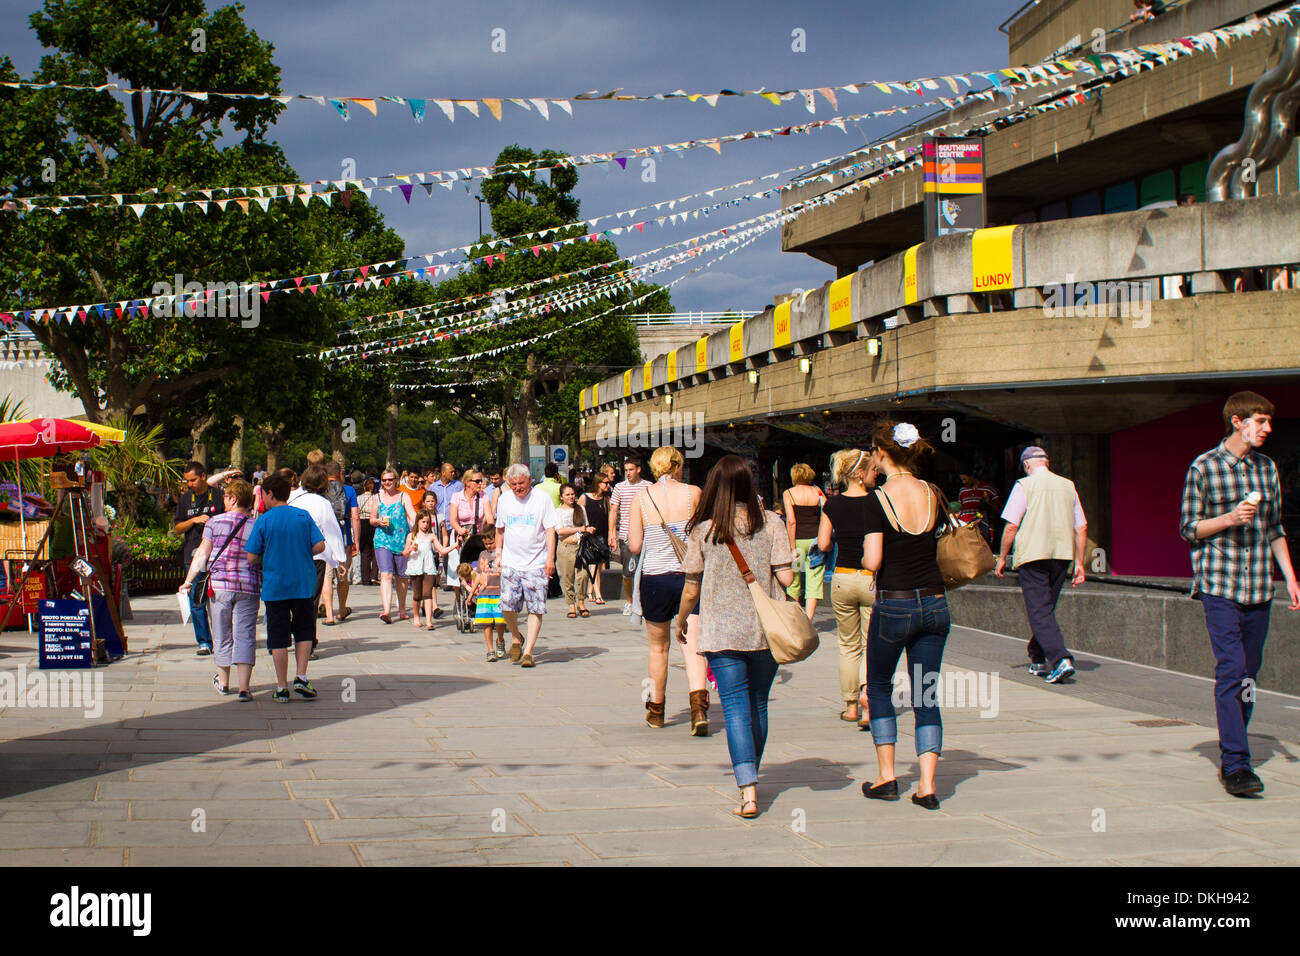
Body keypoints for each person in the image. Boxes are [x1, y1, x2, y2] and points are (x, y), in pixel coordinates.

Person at [1180, 391, 1300, 797]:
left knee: (1249, 676)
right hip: (1220, 585)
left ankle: (1236, 744)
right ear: (1237, 421)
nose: (1267, 429)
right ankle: (1236, 764)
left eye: (1269, 422)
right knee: (1231, 670)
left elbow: (1274, 529)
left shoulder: (1267, 469)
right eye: (1260, 421)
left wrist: (1291, 577)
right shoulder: (1204, 467)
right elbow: (1188, 528)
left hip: (1260, 587)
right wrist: (1229, 518)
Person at [678, 454, 794, 818]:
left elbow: (691, 589)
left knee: (735, 711)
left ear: (716, 487)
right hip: (765, 632)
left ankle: (748, 788)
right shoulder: (772, 523)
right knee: (757, 705)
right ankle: (751, 772)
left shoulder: (704, 531)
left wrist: (681, 619)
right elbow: (787, 579)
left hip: (723, 633)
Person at [860, 421, 951, 810]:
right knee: (925, 693)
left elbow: (874, 559)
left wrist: (865, 562)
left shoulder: (877, 499)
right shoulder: (933, 493)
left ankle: (887, 777)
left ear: (882, 453)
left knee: (879, 685)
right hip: (935, 602)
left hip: (894, 603)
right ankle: (928, 786)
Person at [630, 446, 709, 735]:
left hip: (655, 577)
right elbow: (702, 535)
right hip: (689, 576)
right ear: (678, 466)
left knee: (658, 647)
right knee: (693, 643)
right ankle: (699, 709)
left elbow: (636, 545)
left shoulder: (642, 496)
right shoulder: (694, 493)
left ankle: (657, 710)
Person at [994, 446, 1088, 684]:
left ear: (1027, 466)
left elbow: (1012, 525)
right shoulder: (1068, 486)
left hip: (1033, 555)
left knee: (1039, 610)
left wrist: (1003, 556)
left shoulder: (1024, 485)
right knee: (1045, 608)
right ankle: (1037, 656)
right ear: (1047, 462)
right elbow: (1081, 527)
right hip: (1062, 555)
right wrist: (1079, 562)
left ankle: (1060, 659)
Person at [243, 472, 324, 703]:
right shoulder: (302, 515)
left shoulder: (264, 520)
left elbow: (251, 557)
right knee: (304, 630)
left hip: (275, 585)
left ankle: (281, 686)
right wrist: (301, 552)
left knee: (278, 636)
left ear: (269, 493)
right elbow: (319, 545)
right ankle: (301, 675)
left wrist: (268, 556)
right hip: (303, 583)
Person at [180, 479, 259, 701]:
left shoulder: (214, 523)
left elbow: (201, 555)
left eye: (225, 496)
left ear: (233, 499)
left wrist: (188, 581)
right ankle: (244, 687)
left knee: (222, 634)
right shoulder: (255, 525)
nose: (222, 500)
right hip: (249, 586)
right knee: (245, 635)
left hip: (220, 587)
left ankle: (224, 682)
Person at [818, 448, 880, 725]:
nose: (876, 474)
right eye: (872, 470)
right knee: (871, 643)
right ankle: (869, 695)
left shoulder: (832, 504)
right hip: (871, 578)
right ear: (859, 474)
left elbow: (823, 544)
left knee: (848, 645)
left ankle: (851, 705)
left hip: (842, 578)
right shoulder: (876, 502)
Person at [491, 463, 557, 668]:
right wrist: (498, 554)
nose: (518, 488)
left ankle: (528, 651)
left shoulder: (542, 499)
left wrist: (550, 559)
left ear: (530, 480)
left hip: (536, 561)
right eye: (513, 484)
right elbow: (500, 529)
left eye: (521, 483)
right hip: (511, 561)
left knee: (536, 607)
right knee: (507, 605)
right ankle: (516, 637)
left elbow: (549, 530)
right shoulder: (504, 500)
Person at [289, 465, 347, 644]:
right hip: (315, 558)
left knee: (291, 598)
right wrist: (339, 558)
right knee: (310, 601)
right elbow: (331, 531)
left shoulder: (291, 498)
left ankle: (290, 633)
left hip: (290, 556)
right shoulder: (323, 504)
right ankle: (308, 640)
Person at [173, 461, 224, 656]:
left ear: (203, 476)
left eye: (193, 480)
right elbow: (177, 528)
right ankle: (204, 641)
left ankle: (221, 639)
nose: (190, 484)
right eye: (187, 481)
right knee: (197, 600)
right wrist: (193, 520)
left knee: (219, 599)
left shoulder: (218, 496)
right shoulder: (186, 499)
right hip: (193, 555)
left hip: (217, 554)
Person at [370, 469, 417, 624]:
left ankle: (402, 609)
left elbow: (412, 514)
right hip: (382, 540)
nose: (387, 483)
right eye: (384, 480)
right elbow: (371, 519)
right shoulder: (377, 497)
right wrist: (378, 521)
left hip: (402, 541)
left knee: (402, 578)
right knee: (386, 574)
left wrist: (421, 528)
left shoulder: (404, 496)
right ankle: (387, 610)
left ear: (396, 480)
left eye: (390, 480)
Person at [783, 463, 826, 620]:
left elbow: (791, 521)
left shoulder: (789, 493)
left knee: (794, 580)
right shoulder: (818, 491)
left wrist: (792, 546)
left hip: (798, 542)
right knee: (814, 579)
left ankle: (795, 618)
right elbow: (826, 512)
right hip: (815, 541)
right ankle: (808, 619)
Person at [609, 457, 649, 618]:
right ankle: (630, 601)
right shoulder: (620, 487)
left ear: (638, 469)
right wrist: (611, 533)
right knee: (628, 571)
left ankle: (643, 601)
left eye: (631, 469)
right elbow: (613, 510)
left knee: (646, 570)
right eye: (626, 470)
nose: (628, 473)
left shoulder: (648, 486)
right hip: (625, 534)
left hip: (646, 534)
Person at [323, 460, 360, 623]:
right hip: (344, 537)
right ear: (340, 474)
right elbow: (355, 517)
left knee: (327, 576)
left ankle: (329, 613)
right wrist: (356, 540)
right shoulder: (349, 490)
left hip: (324, 539)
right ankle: (342, 609)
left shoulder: (320, 491)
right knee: (342, 576)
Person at [405, 511, 451, 630]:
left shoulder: (431, 536)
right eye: (423, 522)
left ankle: (429, 621)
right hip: (415, 567)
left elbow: (441, 549)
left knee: (427, 594)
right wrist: (411, 548)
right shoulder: (412, 536)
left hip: (429, 567)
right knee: (417, 595)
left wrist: (454, 545)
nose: (425, 525)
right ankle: (416, 616)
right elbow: (405, 553)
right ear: (418, 522)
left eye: (427, 522)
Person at [553, 482, 593, 618]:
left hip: (580, 546)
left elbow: (586, 526)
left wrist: (586, 530)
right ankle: (571, 604)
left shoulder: (580, 509)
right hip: (565, 547)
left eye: (572, 494)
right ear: (561, 497)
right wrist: (579, 529)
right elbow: (560, 531)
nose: (570, 497)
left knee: (583, 575)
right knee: (567, 576)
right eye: (567, 494)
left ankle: (581, 601)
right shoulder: (558, 512)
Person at [578, 465, 614, 604]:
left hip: (602, 535)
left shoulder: (607, 500)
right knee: (593, 564)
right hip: (589, 536)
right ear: (598, 483)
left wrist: (612, 535)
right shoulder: (584, 498)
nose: (608, 485)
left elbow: (611, 518)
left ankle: (589, 591)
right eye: (605, 483)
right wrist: (583, 529)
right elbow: (578, 516)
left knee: (598, 565)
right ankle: (598, 593)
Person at [469, 547, 505, 662]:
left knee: (500, 622)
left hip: (499, 593)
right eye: (486, 543)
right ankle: (490, 650)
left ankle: (500, 640)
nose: (489, 546)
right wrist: (471, 593)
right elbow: (479, 575)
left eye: (491, 543)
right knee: (487, 623)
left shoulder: (502, 553)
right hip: (485, 594)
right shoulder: (483, 554)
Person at [957, 472, 1000, 545]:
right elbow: (959, 509)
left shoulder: (988, 489)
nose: (963, 482)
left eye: (965, 479)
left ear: (972, 476)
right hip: (967, 526)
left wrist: (989, 502)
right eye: (962, 480)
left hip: (985, 525)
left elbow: (998, 509)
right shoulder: (962, 490)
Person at [429, 462, 463, 530]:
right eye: (451, 472)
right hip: (437, 525)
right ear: (443, 473)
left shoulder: (459, 486)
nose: (453, 474)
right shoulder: (433, 487)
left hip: (454, 526)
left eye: (454, 472)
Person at [357, 478, 378, 585]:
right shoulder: (376, 498)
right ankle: (374, 576)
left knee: (364, 552)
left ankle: (365, 578)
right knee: (375, 551)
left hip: (362, 523)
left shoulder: (359, 498)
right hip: (373, 523)